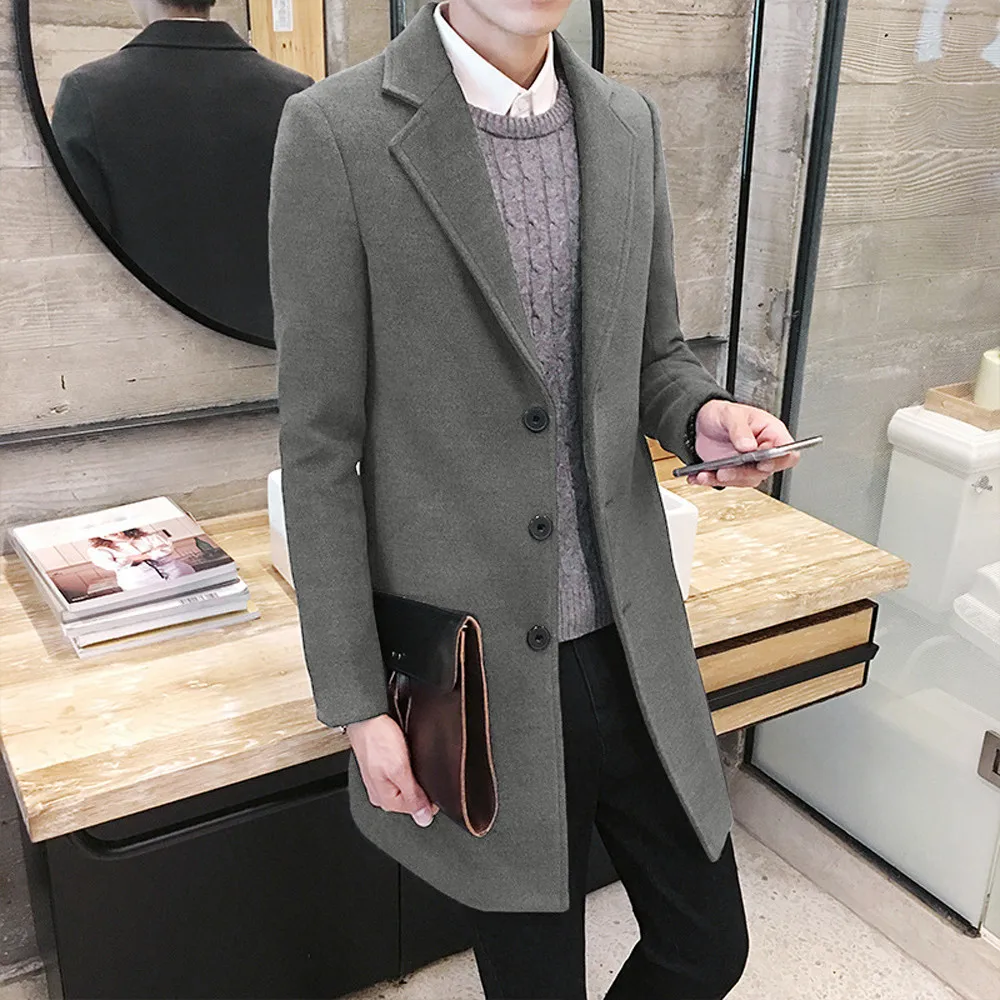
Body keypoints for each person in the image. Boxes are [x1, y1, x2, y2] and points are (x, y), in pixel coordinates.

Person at [269, 2, 800, 996]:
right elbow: (318, 450)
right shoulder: (335, 133)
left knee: (706, 944)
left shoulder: (627, 123)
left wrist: (702, 416)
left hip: (631, 638)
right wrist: (356, 702)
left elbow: (653, 356)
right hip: (475, 669)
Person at [50, 0, 312, 344]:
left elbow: (78, 263)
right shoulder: (294, 94)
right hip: (274, 351)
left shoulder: (87, 95)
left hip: (148, 354)